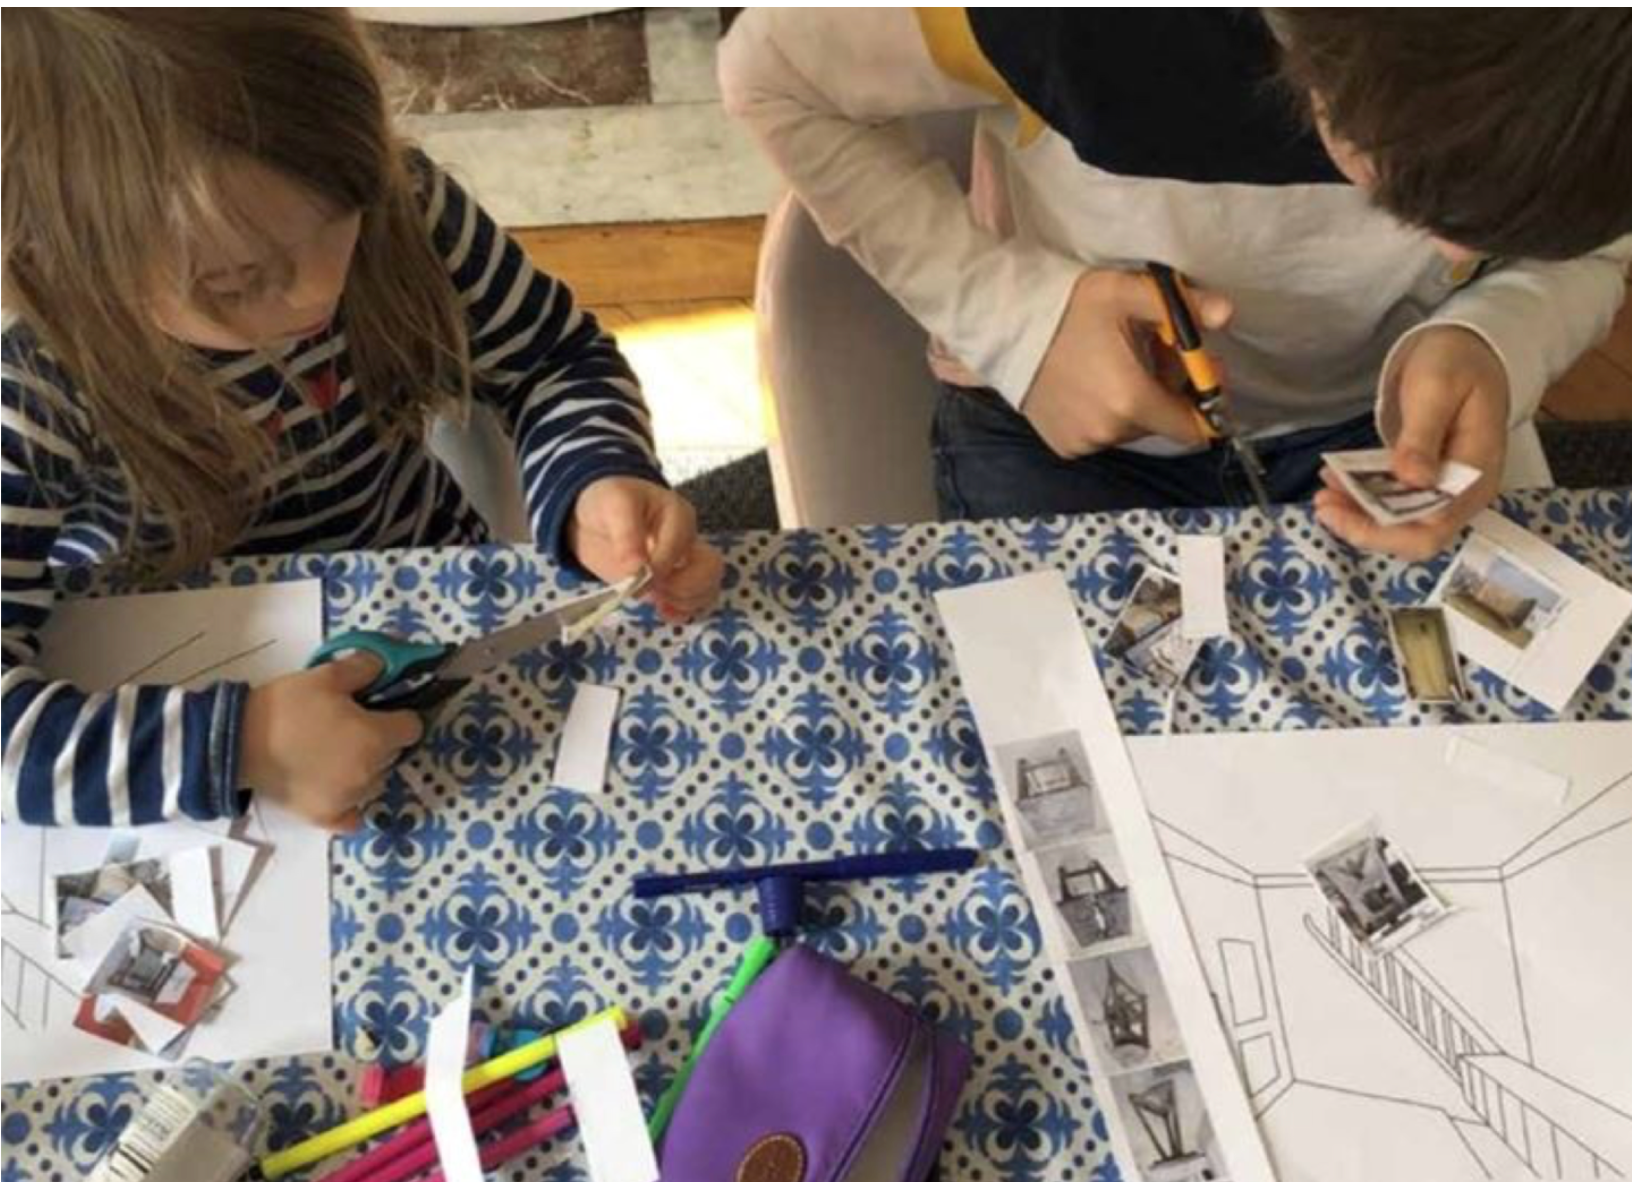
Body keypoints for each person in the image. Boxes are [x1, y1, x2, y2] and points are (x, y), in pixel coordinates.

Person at [1, 10, 723, 831]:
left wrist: (594, 475)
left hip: (427, 589)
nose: (320, 289)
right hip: (165, 709)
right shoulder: (30, 381)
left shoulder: (402, 199)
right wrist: (243, 744)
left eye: (347, 214)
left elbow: (552, 360)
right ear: (66, 262)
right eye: (238, 282)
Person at [720, 9, 1632, 558]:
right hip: (1052, 428)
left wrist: (1497, 328)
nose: (1449, 254)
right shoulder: (1080, 26)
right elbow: (770, 74)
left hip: (1372, 417)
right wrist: (1016, 322)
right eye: (1407, 192)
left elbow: (1595, 254)